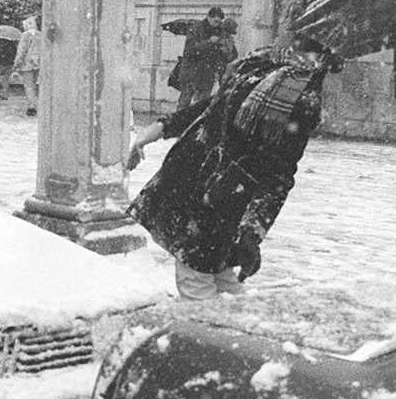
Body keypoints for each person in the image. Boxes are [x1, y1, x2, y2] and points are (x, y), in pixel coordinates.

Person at [128, 33, 341, 300]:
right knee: (220, 281)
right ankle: (230, 332)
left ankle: (209, 336)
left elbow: (280, 173)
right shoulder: (258, 64)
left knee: (197, 283)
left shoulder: (303, 97)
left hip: (222, 200)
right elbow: (213, 107)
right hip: (190, 177)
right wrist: (161, 127)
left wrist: (253, 231)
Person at [174, 7, 238, 110]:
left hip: (207, 73)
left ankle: (195, 124)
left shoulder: (220, 31)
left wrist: (226, 50)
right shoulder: (196, 28)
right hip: (191, 72)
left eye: (219, 22)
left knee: (202, 105)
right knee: (184, 102)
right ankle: (177, 124)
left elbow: (230, 56)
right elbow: (190, 50)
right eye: (216, 21)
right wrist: (209, 42)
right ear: (209, 17)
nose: (218, 24)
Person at [13, 15, 41, 116]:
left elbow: (21, 51)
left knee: (29, 86)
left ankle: (32, 106)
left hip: (26, 64)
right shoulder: (40, 35)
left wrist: (16, 63)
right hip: (38, 63)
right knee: (37, 85)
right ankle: (38, 104)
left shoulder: (25, 35)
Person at [0, 31, 18, 101]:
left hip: (1, 64)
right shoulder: (12, 45)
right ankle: (5, 95)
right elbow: (15, 54)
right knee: (5, 80)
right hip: (10, 64)